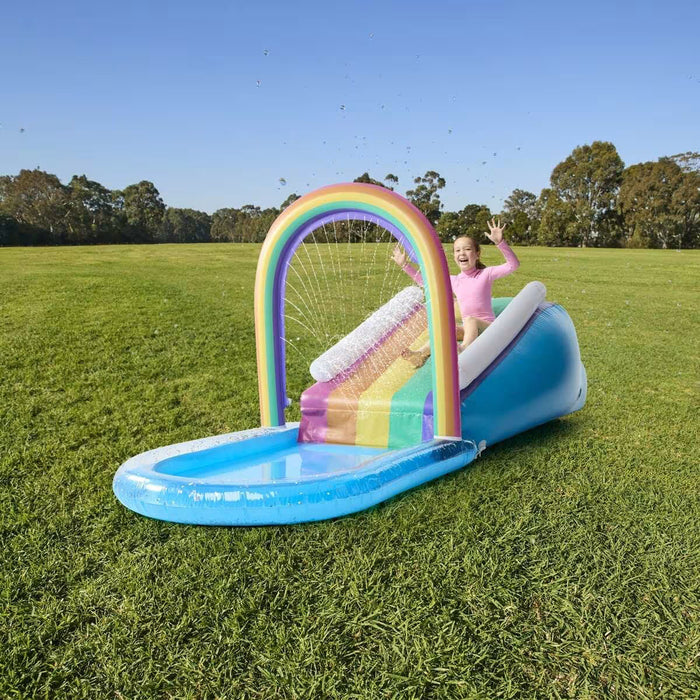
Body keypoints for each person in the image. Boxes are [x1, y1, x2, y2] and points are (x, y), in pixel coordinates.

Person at [391, 218, 519, 367]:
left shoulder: (485, 274)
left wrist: (500, 242)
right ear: (454, 257)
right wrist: (405, 265)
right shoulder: (454, 280)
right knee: (446, 329)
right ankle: (420, 354)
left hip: (489, 328)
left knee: (471, 320)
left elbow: (513, 265)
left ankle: (464, 349)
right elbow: (427, 284)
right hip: (468, 331)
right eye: (458, 250)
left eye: (467, 249)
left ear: (477, 254)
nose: (462, 253)